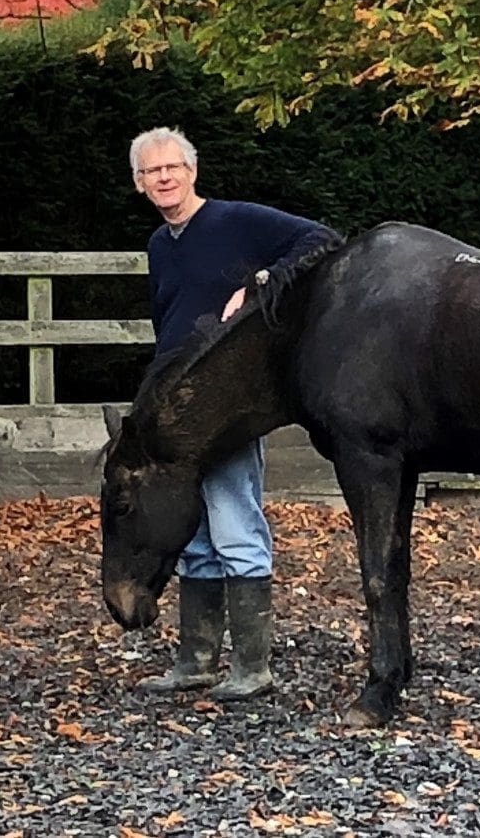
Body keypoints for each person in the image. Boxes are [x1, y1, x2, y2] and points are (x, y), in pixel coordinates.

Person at [129, 126, 338, 701]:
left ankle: (252, 666)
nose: (164, 178)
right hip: (176, 410)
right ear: (140, 184)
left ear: (192, 172)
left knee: (234, 522)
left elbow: (321, 239)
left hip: (226, 407)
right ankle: (195, 662)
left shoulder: (235, 220)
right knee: (191, 533)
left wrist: (260, 284)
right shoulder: (158, 244)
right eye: (152, 172)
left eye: (173, 167)